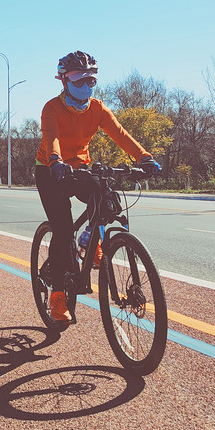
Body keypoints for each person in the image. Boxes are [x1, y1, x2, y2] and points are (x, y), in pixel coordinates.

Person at [35, 51, 162, 324]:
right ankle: (57, 295)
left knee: (108, 198)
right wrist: (55, 161)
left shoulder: (98, 109)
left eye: (91, 80)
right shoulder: (52, 108)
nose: (86, 86)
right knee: (63, 228)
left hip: (80, 166)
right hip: (50, 170)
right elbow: (51, 138)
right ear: (64, 81)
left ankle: (91, 244)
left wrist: (144, 157)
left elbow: (120, 134)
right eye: (79, 80)